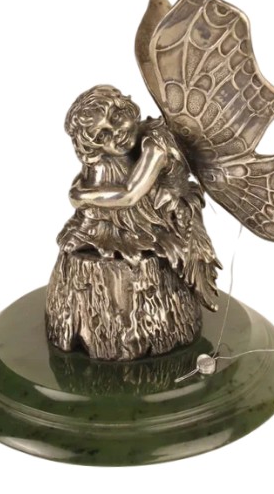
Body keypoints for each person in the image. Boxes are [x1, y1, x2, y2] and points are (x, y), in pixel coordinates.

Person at [46, 85, 220, 360]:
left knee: (108, 181)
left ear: (128, 109)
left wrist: (78, 196)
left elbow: (129, 194)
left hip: (165, 206)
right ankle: (103, 229)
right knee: (104, 168)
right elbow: (94, 175)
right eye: (102, 135)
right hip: (137, 203)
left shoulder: (155, 142)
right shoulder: (111, 156)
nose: (116, 133)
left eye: (116, 118)